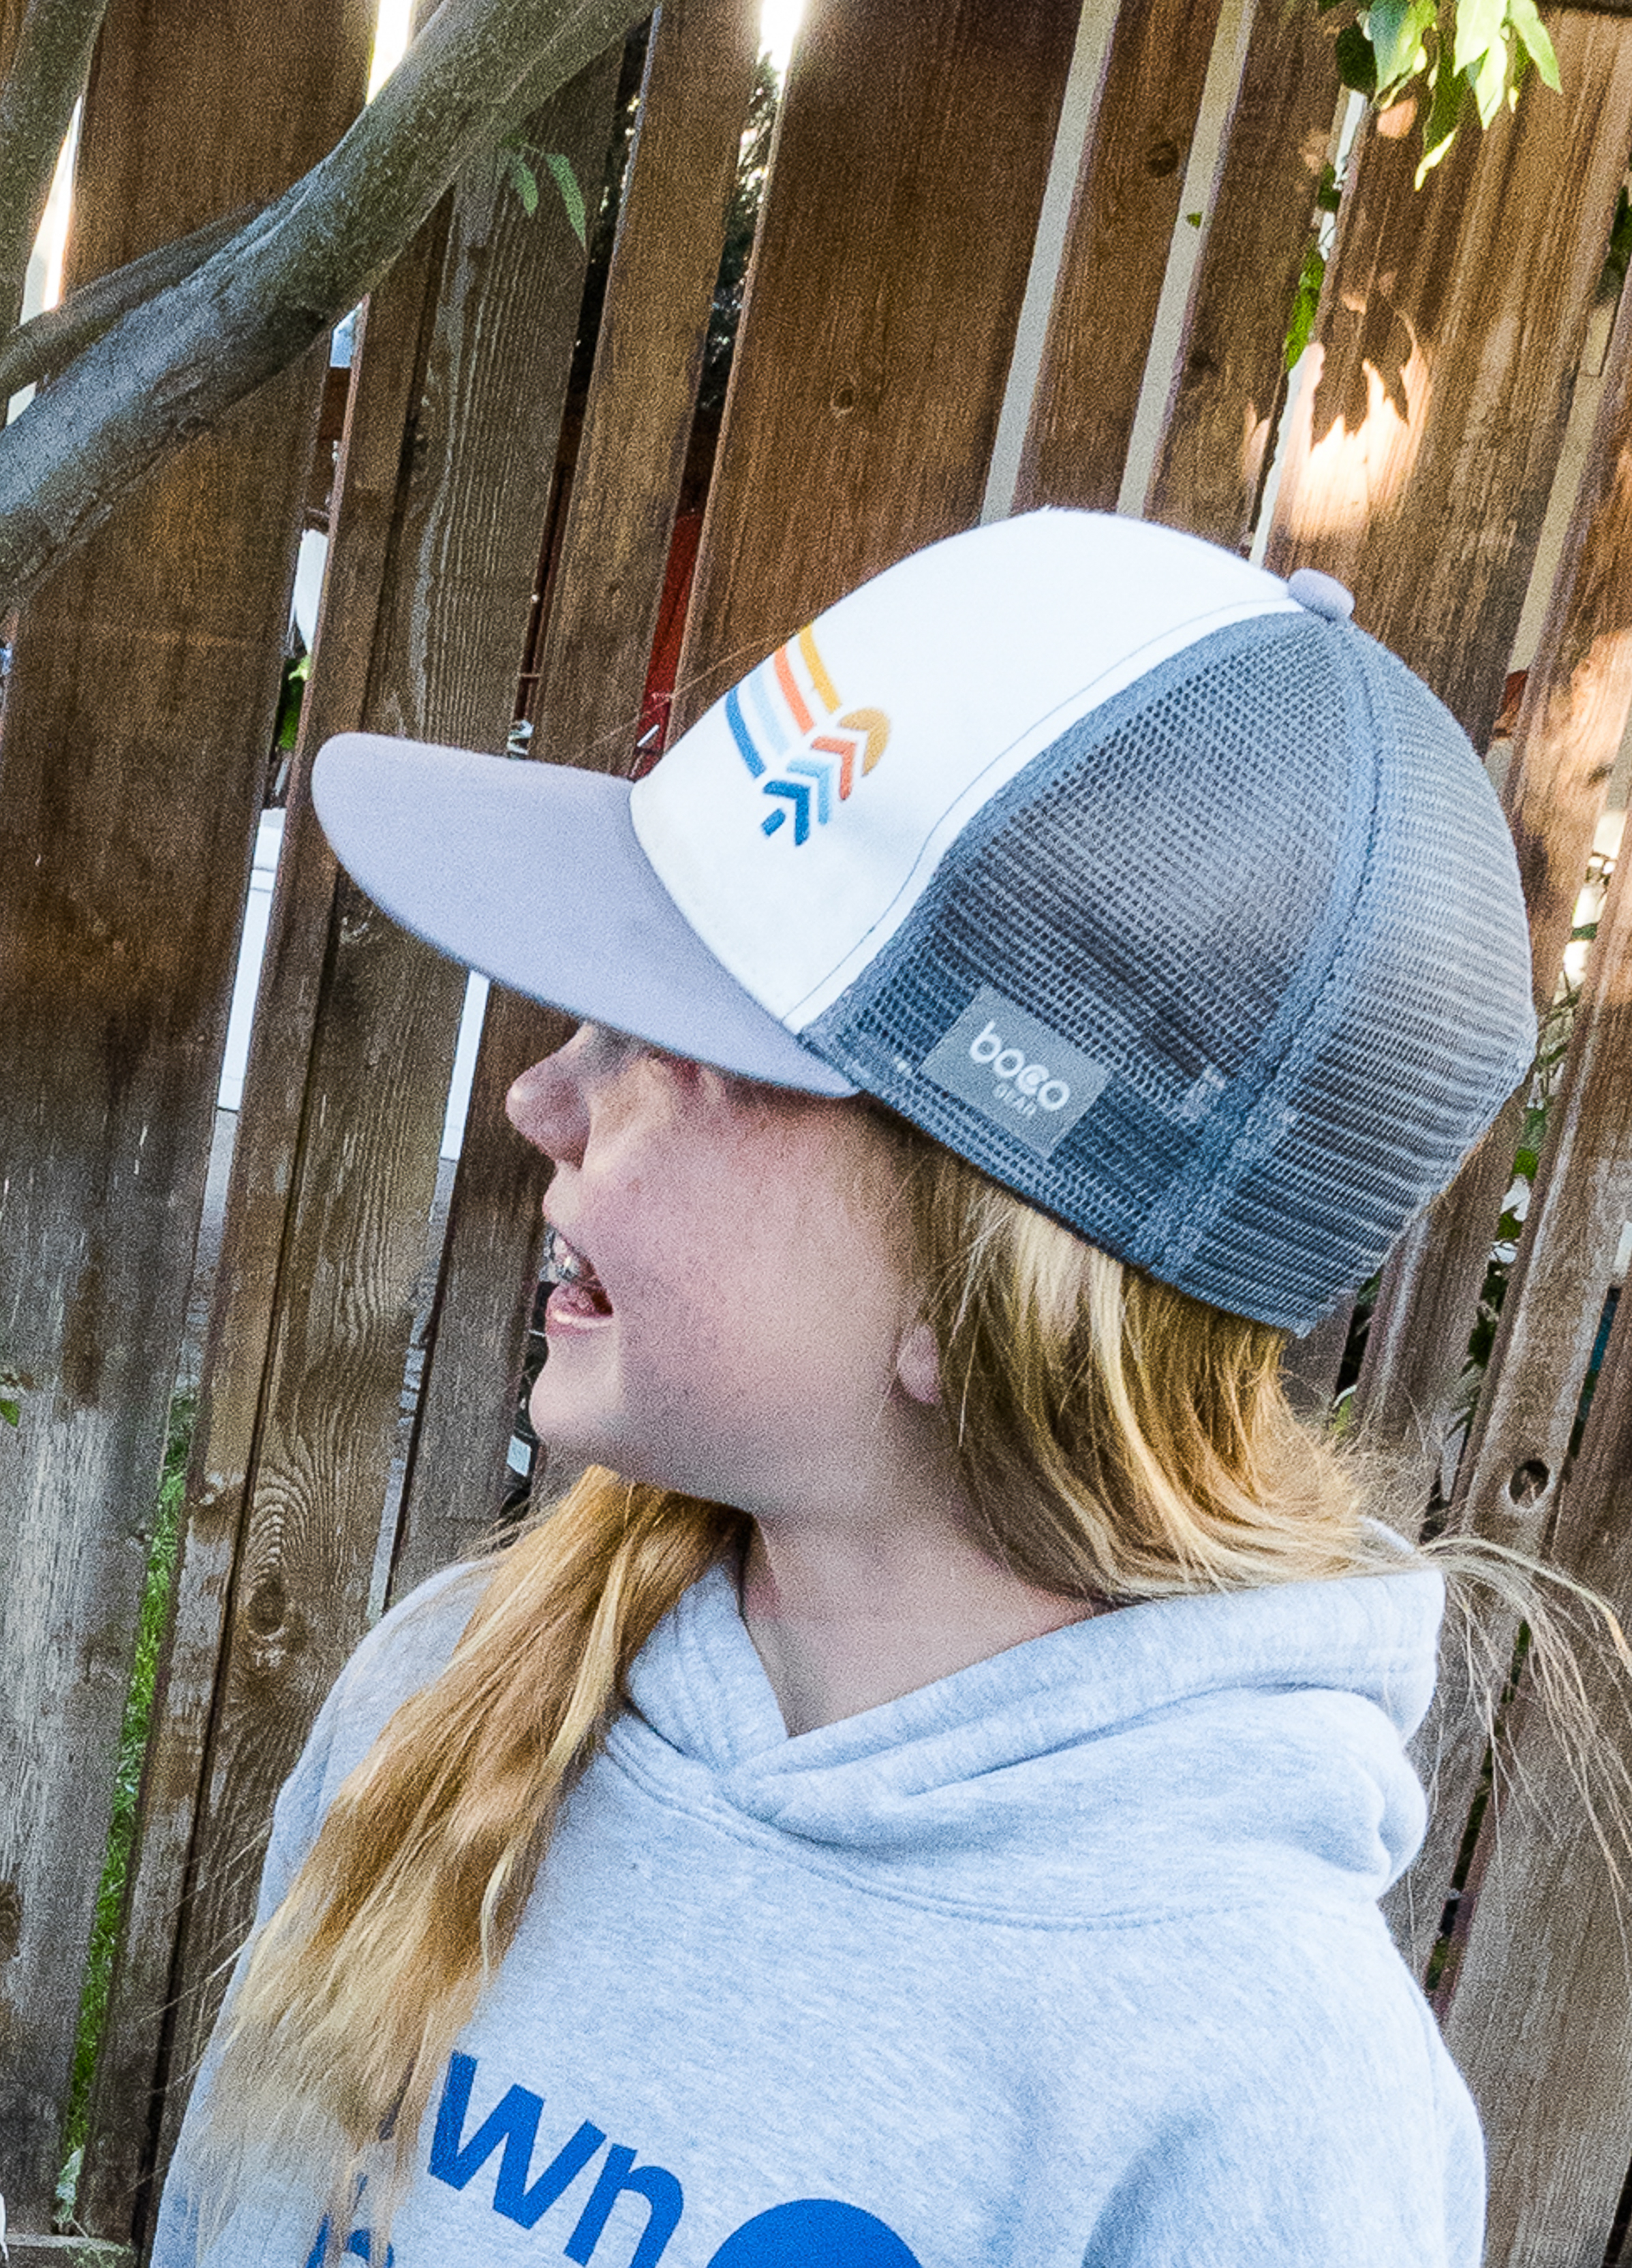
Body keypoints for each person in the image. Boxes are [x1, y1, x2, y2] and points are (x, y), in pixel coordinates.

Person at [150, 509, 1616, 2265]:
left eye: (673, 1044)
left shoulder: (1264, 2100)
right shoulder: (454, 1697)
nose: (545, 1104)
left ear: (983, 1278)